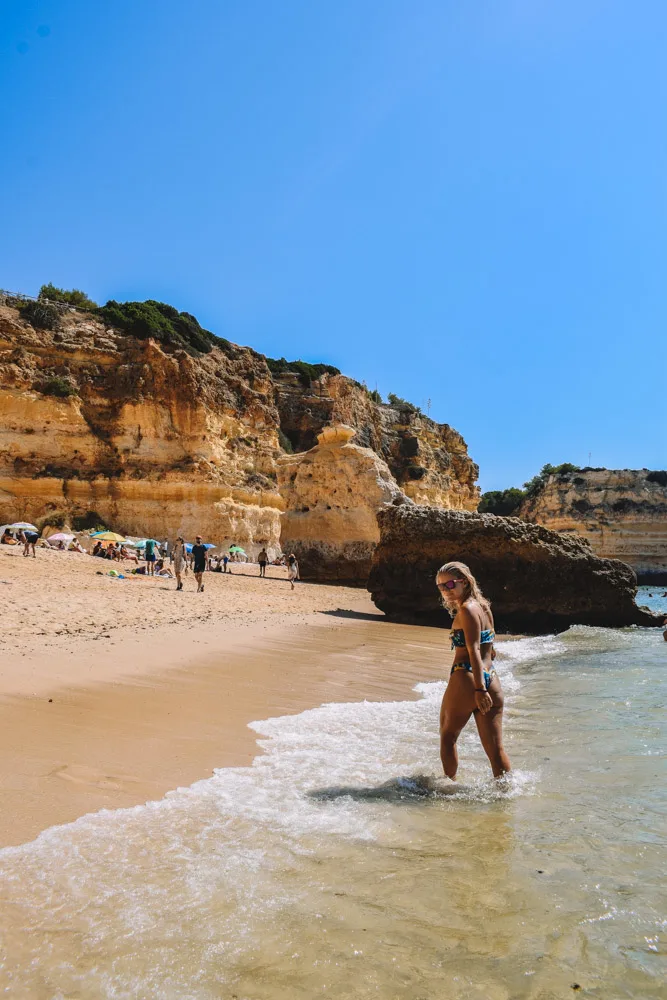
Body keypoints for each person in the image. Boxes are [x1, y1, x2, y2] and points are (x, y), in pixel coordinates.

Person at [435, 561, 511, 780]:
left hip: (467, 678)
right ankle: (505, 796)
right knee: (496, 750)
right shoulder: (483, 607)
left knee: (448, 736)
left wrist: (479, 689)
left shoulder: (467, 609)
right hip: (492, 678)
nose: (445, 590)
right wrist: (485, 685)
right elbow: (491, 648)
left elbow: (474, 650)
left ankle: (449, 787)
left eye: (450, 584)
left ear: (465, 582)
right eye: (440, 586)